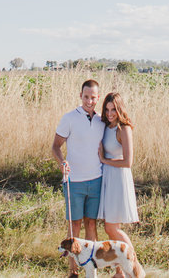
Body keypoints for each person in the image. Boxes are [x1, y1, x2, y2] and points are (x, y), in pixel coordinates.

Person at [52, 79, 105, 277]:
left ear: (98, 98)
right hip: (74, 181)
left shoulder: (102, 120)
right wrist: (62, 162)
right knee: (74, 226)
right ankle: (73, 271)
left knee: (91, 224)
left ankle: (90, 270)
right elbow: (55, 146)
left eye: (93, 98)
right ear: (80, 96)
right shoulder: (69, 118)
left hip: (96, 179)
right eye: (86, 97)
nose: (89, 101)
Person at [97, 92, 140, 262]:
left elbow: (128, 162)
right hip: (107, 178)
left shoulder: (124, 129)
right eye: (107, 110)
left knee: (112, 227)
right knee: (110, 228)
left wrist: (104, 160)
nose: (109, 113)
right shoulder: (105, 127)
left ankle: (134, 264)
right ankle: (120, 271)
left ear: (119, 109)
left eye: (113, 109)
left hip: (118, 179)